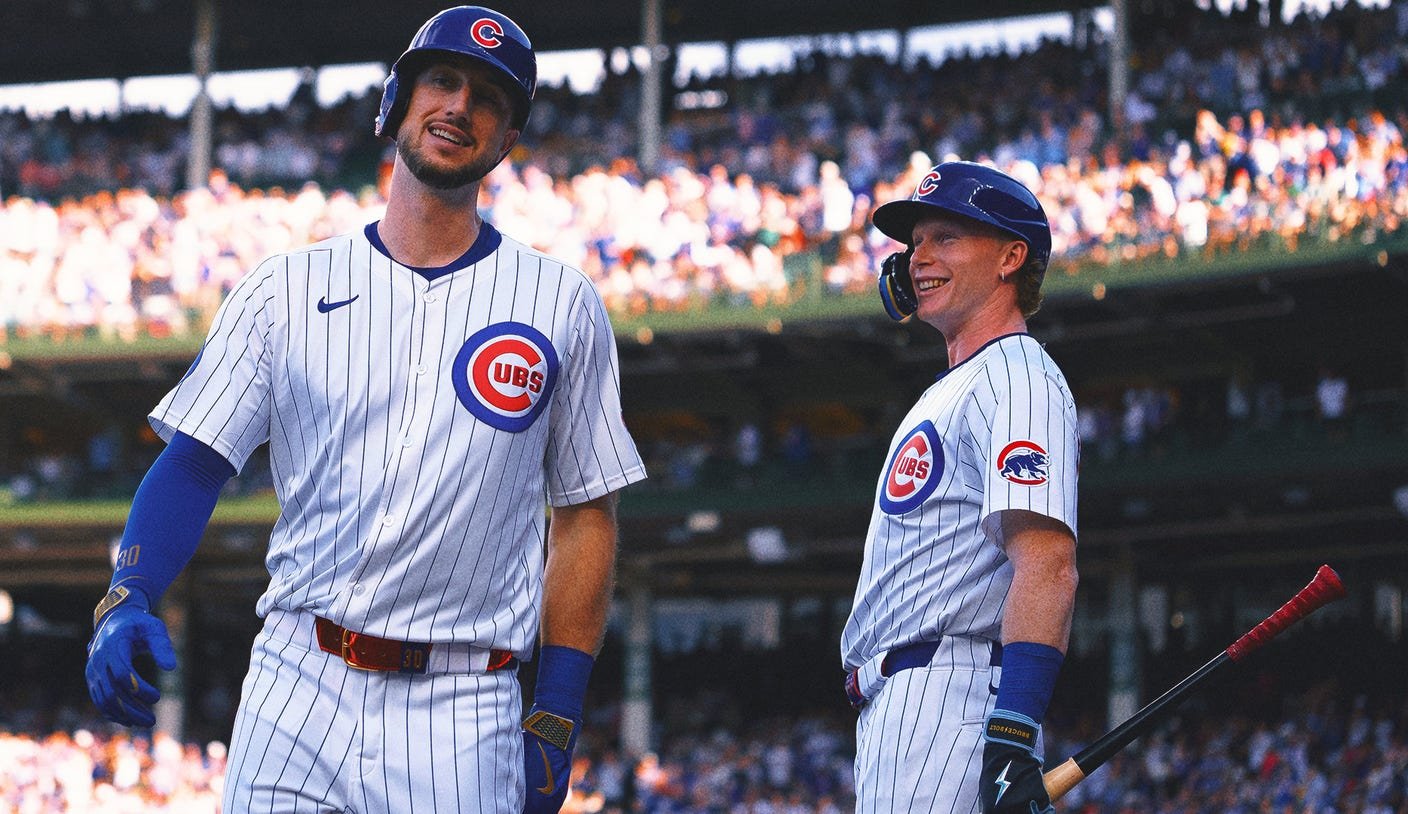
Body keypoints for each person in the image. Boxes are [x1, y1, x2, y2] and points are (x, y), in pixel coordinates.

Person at [83, 7, 647, 812]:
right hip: (297, 680)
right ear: (396, 102)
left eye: (489, 98)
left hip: (463, 703)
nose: (459, 106)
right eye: (442, 80)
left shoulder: (562, 303)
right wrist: (128, 591)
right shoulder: (284, 287)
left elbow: (586, 512)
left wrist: (557, 707)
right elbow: (196, 461)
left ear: (507, 140)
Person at [841, 161, 1079, 813]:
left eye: (946, 237)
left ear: (1010, 257)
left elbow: (1048, 563)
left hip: (949, 699)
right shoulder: (959, 385)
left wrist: (1013, 737)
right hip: (904, 707)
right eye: (915, 242)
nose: (918, 258)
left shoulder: (1019, 378)